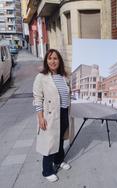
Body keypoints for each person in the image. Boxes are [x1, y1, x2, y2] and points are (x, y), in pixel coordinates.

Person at [33, 49, 71, 182]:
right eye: (50, 58)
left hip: (64, 112)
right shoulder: (41, 77)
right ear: (46, 61)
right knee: (49, 142)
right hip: (50, 115)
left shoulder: (64, 76)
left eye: (55, 58)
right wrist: (40, 117)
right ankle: (47, 170)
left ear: (59, 60)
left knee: (60, 139)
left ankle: (59, 161)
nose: (53, 61)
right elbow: (37, 98)